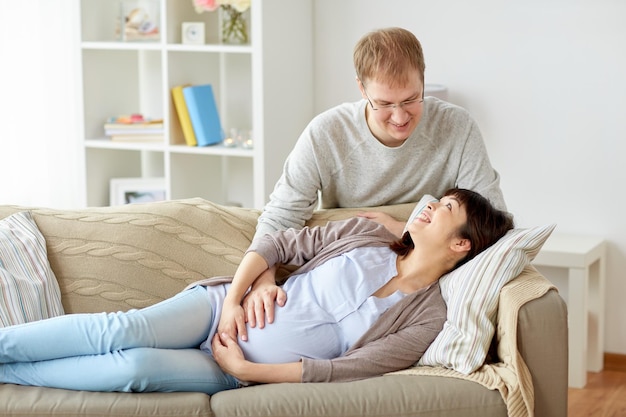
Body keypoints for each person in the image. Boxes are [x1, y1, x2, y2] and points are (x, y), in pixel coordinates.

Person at [0, 188, 513, 395]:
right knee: (122, 328)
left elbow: (352, 368)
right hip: (215, 313)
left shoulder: (428, 318)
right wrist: (231, 303)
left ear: (462, 244)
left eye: (446, 208)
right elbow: (278, 242)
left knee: (133, 369)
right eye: (437, 199)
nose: (429, 206)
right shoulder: (366, 235)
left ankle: (9, 374)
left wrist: (247, 370)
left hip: (237, 372)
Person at [255, 27, 506, 240]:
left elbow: (493, 220)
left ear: (423, 80)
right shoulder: (326, 133)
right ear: (362, 89)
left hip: (425, 262)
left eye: (411, 99)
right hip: (348, 254)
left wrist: (403, 230)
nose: (400, 117)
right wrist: (264, 276)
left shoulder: (457, 126)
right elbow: (281, 216)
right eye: (384, 104)